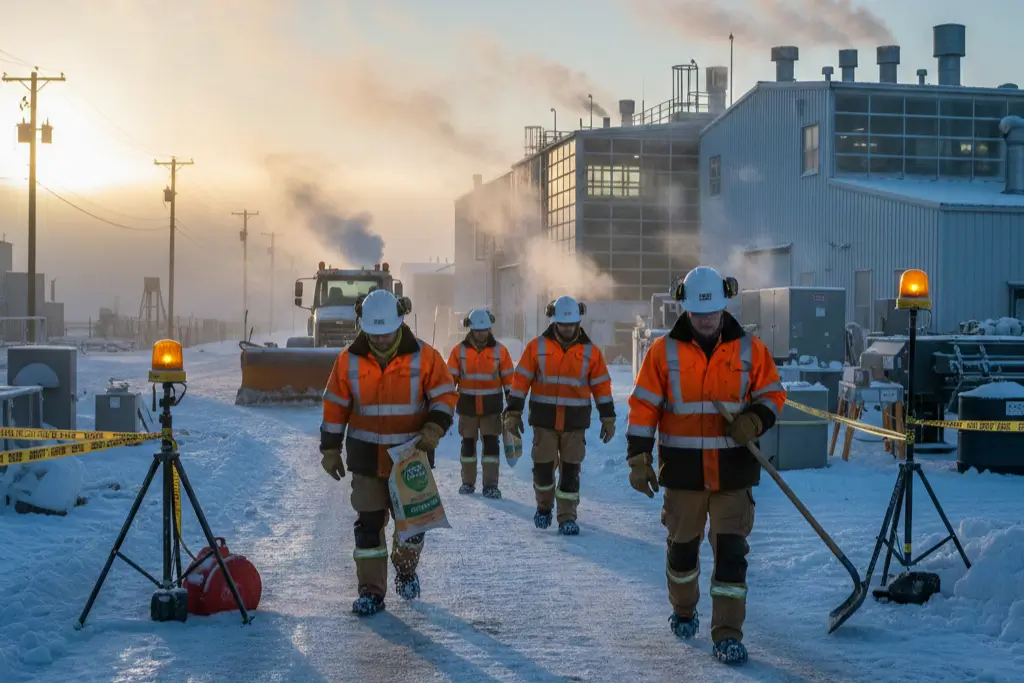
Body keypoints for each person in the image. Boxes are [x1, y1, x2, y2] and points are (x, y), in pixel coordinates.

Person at [625, 266, 785, 666]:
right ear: (686, 309)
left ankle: (728, 633)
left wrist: (755, 419)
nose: (707, 320)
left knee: (732, 554)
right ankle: (683, 610)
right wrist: (638, 457)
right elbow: (644, 406)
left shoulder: (750, 349)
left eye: (712, 312)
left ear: (724, 304)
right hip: (684, 474)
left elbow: (772, 394)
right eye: (699, 314)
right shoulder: (662, 352)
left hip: (734, 471)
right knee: (683, 553)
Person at [319, 289, 458, 617]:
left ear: (400, 325)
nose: (380, 340)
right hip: (366, 459)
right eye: (373, 334)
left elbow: (445, 396)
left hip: (411, 457)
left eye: (387, 334)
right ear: (363, 327)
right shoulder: (347, 360)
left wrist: (434, 428)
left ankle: (406, 571)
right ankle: (371, 592)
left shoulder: (426, 357)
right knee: (368, 527)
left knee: (412, 526)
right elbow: (335, 406)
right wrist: (330, 449)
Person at [505, 295, 615, 536]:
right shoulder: (536, 347)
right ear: (554, 322)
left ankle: (567, 517)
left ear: (578, 322)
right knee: (543, 468)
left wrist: (608, 417)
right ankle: (544, 508)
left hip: (575, 422)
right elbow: (521, 380)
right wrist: (513, 412)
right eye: (563, 324)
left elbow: (602, 386)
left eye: (571, 324)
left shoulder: (591, 352)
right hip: (544, 420)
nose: (567, 328)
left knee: (570, 470)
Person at [447, 308, 515, 498]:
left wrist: (513, 406)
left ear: (490, 328)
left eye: (484, 330)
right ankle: (467, 482)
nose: (480, 334)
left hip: (491, 408)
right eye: (477, 331)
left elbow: (510, 380)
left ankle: (490, 485)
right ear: (470, 329)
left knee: (491, 447)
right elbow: (448, 382)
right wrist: (444, 405)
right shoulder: (458, 351)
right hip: (467, 407)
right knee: (468, 445)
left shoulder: (500, 351)